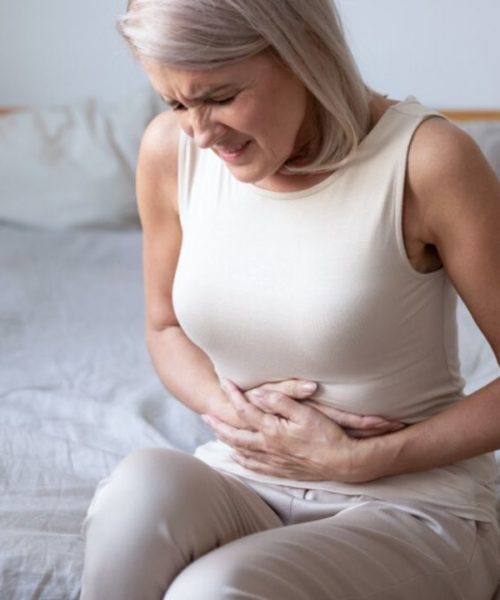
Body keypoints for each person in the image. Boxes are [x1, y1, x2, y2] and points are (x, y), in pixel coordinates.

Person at [79, 1, 500, 598]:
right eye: (175, 102)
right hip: (245, 476)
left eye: (221, 97)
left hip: (411, 502)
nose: (200, 132)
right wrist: (234, 413)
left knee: (211, 591)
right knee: (134, 494)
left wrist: (365, 461)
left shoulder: (428, 162)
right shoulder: (169, 153)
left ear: (304, 54)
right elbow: (164, 326)